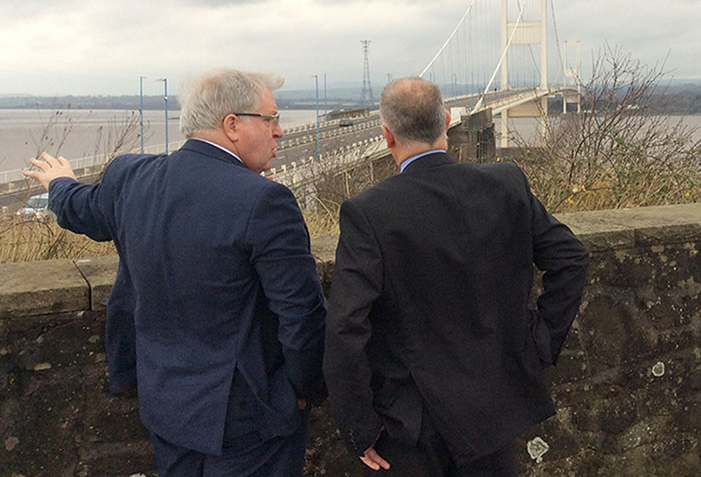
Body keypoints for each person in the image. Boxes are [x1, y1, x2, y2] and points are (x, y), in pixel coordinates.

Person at [22, 68, 327, 477]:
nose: (280, 132)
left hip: (166, 406)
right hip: (248, 420)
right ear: (232, 125)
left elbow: (83, 210)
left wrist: (59, 185)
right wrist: (305, 392)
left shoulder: (130, 178)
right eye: (271, 119)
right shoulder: (265, 201)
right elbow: (302, 316)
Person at [324, 77, 589, 476]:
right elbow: (571, 258)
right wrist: (536, 344)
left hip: (409, 422)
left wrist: (359, 426)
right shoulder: (505, 184)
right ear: (446, 121)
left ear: (386, 135)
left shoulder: (368, 212)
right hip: (493, 410)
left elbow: (346, 326)